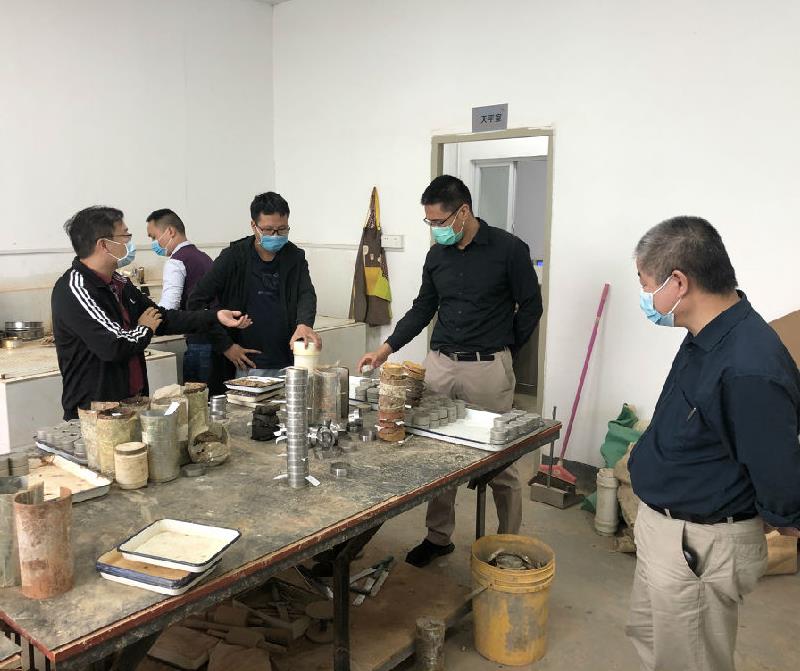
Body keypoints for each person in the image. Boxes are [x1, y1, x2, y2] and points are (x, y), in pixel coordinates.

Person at [627, 216, 800, 671]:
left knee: (690, 660)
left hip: (698, 546)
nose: (644, 296)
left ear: (678, 283)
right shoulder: (707, 335)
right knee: (654, 643)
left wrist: (780, 518)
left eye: (645, 284)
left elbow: (778, 472)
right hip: (667, 532)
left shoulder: (749, 366)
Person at [357, 175, 543, 568]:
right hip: (441, 365)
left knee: (500, 459)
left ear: (463, 212)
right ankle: (438, 537)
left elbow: (531, 306)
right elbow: (423, 308)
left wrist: (507, 350)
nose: (435, 229)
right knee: (438, 453)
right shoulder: (437, 256)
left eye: (439, 221)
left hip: (487, 367)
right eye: (429, 222)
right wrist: (385, 349)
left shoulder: (509, 249)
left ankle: (508, 543)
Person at [51, 206, 251, 420]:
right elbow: (114, 346)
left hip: (131, 404)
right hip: (96, 414)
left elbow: (163, 318)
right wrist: (145, 328)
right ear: (104, 244)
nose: (129, 242)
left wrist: (214, 316)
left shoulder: (119, 283)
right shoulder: (75, 289)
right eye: (125, 236)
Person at [188, 191, 321, 379]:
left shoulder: (294, 256)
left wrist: (304, 324)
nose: (276, 235)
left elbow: (306, 294)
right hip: (246, 363)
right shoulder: (233, 257)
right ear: (254, 225)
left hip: (288, 360)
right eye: (268, 230)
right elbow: (196, 301)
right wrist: (226, 346)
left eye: (282, 229)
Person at [145, 208, 215, 385]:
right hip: (216, 339)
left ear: (170, 231)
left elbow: (169, 306)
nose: (154, 243)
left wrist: (148, 325)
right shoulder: (203, 257)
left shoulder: (176, 261)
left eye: (154, 237)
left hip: (199, 341)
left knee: (197, 398)